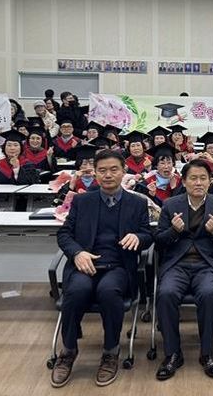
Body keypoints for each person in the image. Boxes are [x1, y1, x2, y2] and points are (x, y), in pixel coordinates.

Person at [51, 150, 152, 388]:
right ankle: (68, 351)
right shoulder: (82, 201)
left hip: (118, 266)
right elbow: (64, 234)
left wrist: (138, 237)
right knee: (76, 291)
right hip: (85, 264)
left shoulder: (137, 203)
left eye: (114, 170)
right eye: (102, 170)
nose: (108, 175)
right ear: (95, 173)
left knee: (109, 292)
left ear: (124, 172)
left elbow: (148, 234)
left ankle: (110, 352)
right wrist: (77, 253)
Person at [154, 159, 213, 380]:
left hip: (207, 265)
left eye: (203, 178)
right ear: (184, 181)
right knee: (166, 293)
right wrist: (174, 230)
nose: (198, 183)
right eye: (193, 178)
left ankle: (207, 353)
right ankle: (172, 354)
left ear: (209, 181)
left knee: (209, 294)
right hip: (177, 265)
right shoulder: (170, 205)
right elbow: (159, 240)